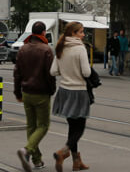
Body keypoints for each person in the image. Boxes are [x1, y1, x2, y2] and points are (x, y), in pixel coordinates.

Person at [50, 21, 93, 171]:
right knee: (79, 128)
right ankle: (63, 152)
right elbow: (86, 72)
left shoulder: (61, 46)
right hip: (78, 91)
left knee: (72, 127)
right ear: (73, 33)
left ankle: (76, 162)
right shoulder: (80, 48)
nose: (83, 34)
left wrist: (66, 71)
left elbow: (53, 71)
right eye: (81, 32)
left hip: (64, 91)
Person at [14, 20, 56, 172]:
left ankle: (36, 161)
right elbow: (50, 75)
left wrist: (17, 93)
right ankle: (27, 150)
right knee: (43, 126)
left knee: (31, 126)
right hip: (41, 93)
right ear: (44, 33)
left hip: (26, 92)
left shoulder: (23, 49)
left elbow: (17, 74)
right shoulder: (46, 50)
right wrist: (52, 90)